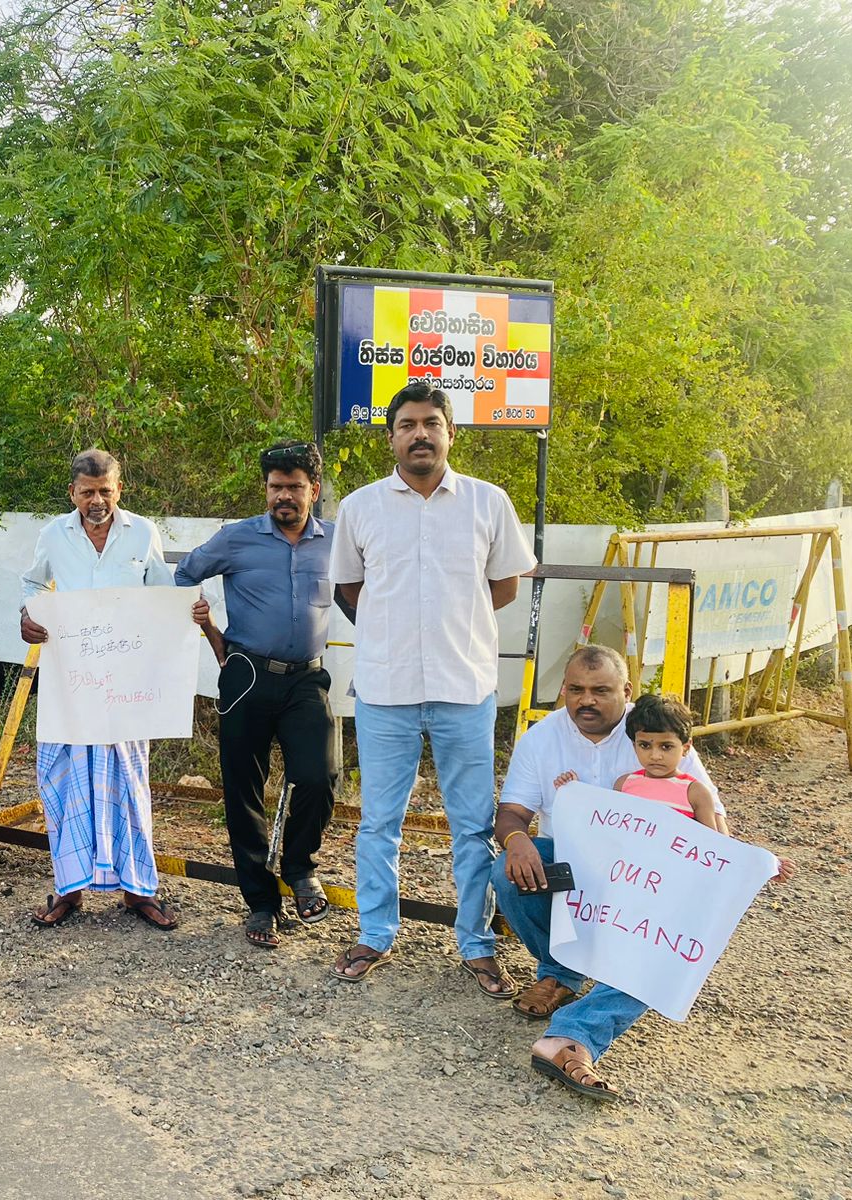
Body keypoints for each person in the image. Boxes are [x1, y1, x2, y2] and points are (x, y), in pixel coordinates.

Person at [494, 644, 792, 1100]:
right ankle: (560, 971)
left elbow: (714, 825)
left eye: (600, 690)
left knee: (666, 947)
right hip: (573, 877)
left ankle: (574, 1034)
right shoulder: (543, 737)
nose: (585, 701)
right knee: (510, 872)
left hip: (646, 889)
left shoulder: (657, 730)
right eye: (575, 690)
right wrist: (517, 842)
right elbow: (511, 813)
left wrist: (752, 867)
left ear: (626, 691)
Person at [328, 380, 535, 994]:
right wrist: (394, 632)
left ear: (450, 432)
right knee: (377, 823)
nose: (419, 434)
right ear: (391, 437)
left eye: (431, 423)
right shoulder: (362, 508)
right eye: (407, 424)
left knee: (471, 825)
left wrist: (452, 628)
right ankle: (375, 934)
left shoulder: (487, 502)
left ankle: (476, 943)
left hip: (463, 685)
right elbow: (349, 590)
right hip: (385, 690)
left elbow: (502, 587)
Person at [173, 440, 339, 949]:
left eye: (293, 487)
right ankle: (262, 903)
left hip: (307, 679)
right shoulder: (236, 538)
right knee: (243, 789)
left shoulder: (336, 541)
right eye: (275, 487)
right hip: (244, 674)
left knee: (319, 774)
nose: (283, 496)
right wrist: (210, 629)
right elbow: (181, 578)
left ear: (313, 489)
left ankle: (300, 868)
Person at [18, 449, 181, 930]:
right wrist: (30, 616)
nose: (96, 501)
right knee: (63, 780)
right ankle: (69, 889)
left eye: (105, 491)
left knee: (129, 782)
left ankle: (139, 891)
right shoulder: (54, 534)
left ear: (119, 489)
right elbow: (31, 584)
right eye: (87, 492)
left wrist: (183, 615)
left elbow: (163, 593)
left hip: (126, 684)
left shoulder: (142, 533)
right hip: (72, 682)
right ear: (72, 492)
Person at [612, 694, 721, 829]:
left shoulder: (695, 793)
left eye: (666, 747)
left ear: (685, 748)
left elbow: (710, 843)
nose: (655, 756)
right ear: (635, 746)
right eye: (645, 745)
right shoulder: (623, 785)